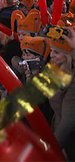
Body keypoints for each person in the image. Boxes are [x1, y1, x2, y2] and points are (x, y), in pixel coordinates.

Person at [47, 27, 75, 161]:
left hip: (68, 143)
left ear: (68, 56)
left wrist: (50, 151)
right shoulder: (56, 71)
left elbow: (68, 122)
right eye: (51, 50)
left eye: (56, 52)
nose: (51, 55)